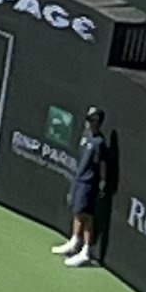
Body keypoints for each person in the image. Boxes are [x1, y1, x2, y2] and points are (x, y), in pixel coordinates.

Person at [57, 106, 115, 267]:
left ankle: (86, 251)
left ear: (99, 123)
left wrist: (102, 183)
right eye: (88, 120)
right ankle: (74, 242)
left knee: (87, 216)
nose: (89, 123)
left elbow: (102, 165)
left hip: (90, 184)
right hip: (79, 180)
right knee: (77, 212)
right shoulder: (85, 136)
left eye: (93, 121)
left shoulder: (99, 143)